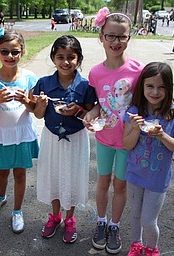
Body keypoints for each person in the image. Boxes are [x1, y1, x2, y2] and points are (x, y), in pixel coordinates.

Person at [84, 7, 145, 254]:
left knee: (120, 186)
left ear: (129, 38)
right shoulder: (95, 72)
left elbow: (145, 102)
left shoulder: (138, 70)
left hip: (129, 141)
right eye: (111, 36)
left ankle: (114, 225)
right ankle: (100, 221)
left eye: (122, 36)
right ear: (101, 37)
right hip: (104, 138)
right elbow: (99, 104)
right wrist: (90, 115)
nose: (116, 41)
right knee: (102, 182)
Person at [33, 35, 96, 243]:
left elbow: (88, 113)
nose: (65, 62)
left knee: (72, 177)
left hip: (76, 138)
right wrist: (41, 103)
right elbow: (39, 114)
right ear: (53, 58)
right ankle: (55, 215)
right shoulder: (44, 83)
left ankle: (70, 219)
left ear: (79, 59)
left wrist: (77, 111)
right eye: (60, 57)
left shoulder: (85, 86)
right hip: (51, 138)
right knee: (54, 176)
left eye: (71, 57)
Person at [0, 28, 39, 234]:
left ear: (22, 51)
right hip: (1, 133)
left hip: (23, 133)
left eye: (15, 51)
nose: (10, 56)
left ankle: (17, 211)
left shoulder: (29, 77)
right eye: (4, 51)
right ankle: (0, 197)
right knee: (2, 171)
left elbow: (34, 109)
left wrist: (26, 100)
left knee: (20, 173)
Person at [123, 62, 174, 256]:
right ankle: (136, 244)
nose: (155, 92)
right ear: (142, 86)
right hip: (135, 174)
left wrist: (162, 135)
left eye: (161, 87)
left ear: (168, 89)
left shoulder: (172, 114)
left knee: (148, 220)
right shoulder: (134, 111)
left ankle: (152, 248)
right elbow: (127, 144)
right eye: (150, 86)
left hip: (157, 178)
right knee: (135, 215)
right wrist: (135, 128)